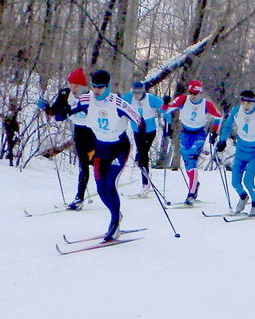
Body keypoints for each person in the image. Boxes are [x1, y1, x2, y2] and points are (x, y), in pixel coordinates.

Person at [64, 69, 141, 241]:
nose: (97, 90)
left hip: (119, 147)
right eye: (94, 87)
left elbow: (139, 121)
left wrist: (142, 147)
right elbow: (70, 112)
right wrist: (60, 111)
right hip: (101, 146)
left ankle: (114, 223)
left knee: (110, 184)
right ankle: (116, 214)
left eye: (101, 87)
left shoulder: (118, 103)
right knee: (100, 188)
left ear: (107, 86)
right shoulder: (86, 99)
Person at [215, 90, 255, 216]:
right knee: (235, 182)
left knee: (248, 181)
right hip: (241, 149)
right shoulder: (236, 111)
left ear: (254, 103)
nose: (246, 105)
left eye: (249, 102)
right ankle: (243, 197)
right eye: (244, 102)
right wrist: (222, 140)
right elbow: (227, 126)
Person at [41, 68, 97, 211]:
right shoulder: (65, 94)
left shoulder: (90, 96)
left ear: (83, 86)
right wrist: (46, 107)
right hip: (79, 131)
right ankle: (79, 197)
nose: (74, 88)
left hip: (94, 132)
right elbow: (56, 114)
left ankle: (106, 187)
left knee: (96, 163)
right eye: (72, 84)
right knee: (83, 164)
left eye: (77, 85)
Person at [171, 79, 222, 203]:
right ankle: (195, 184)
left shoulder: (206, 104)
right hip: (185, 134)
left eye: (195, 93)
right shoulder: (183, 99)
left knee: (192, 160)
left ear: (200, 93)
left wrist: (215, 132)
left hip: (199, 134)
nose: (193, 96)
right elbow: (167, 108)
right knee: (187, 163)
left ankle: (191, 193)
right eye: (191, 93)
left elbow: (218, 117)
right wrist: (167, 108)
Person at [122, 80, 168, 192]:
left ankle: (145, 182)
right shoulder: (128, 97)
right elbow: (118, 105)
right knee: (142, 155)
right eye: (135, 93)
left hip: (150, 131)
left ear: (143, 92)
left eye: (139, 93)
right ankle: (146, 180)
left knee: (142, 155)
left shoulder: (151, 99)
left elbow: (165, 110)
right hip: (137, 130)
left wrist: (168, 125)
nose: (137, 95)